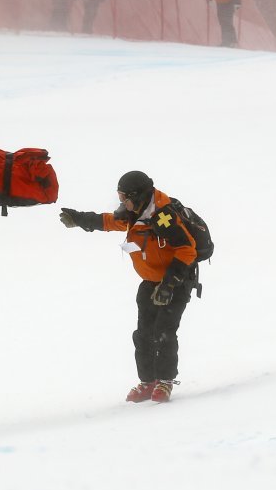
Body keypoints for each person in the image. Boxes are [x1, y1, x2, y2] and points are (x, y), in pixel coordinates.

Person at [59, 171, 198, 403]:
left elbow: (187, 250)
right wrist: (79, 219)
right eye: (120, 197)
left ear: (139, 195)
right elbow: (109, 221)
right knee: (144, 334)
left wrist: (169, 284)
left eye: (125, 198)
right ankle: (147, 382)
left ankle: (164, 381)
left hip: (176, 281)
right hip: (151, 281)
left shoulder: (163, 216)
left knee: (164, 331)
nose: (122, 203)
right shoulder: (135, 211)